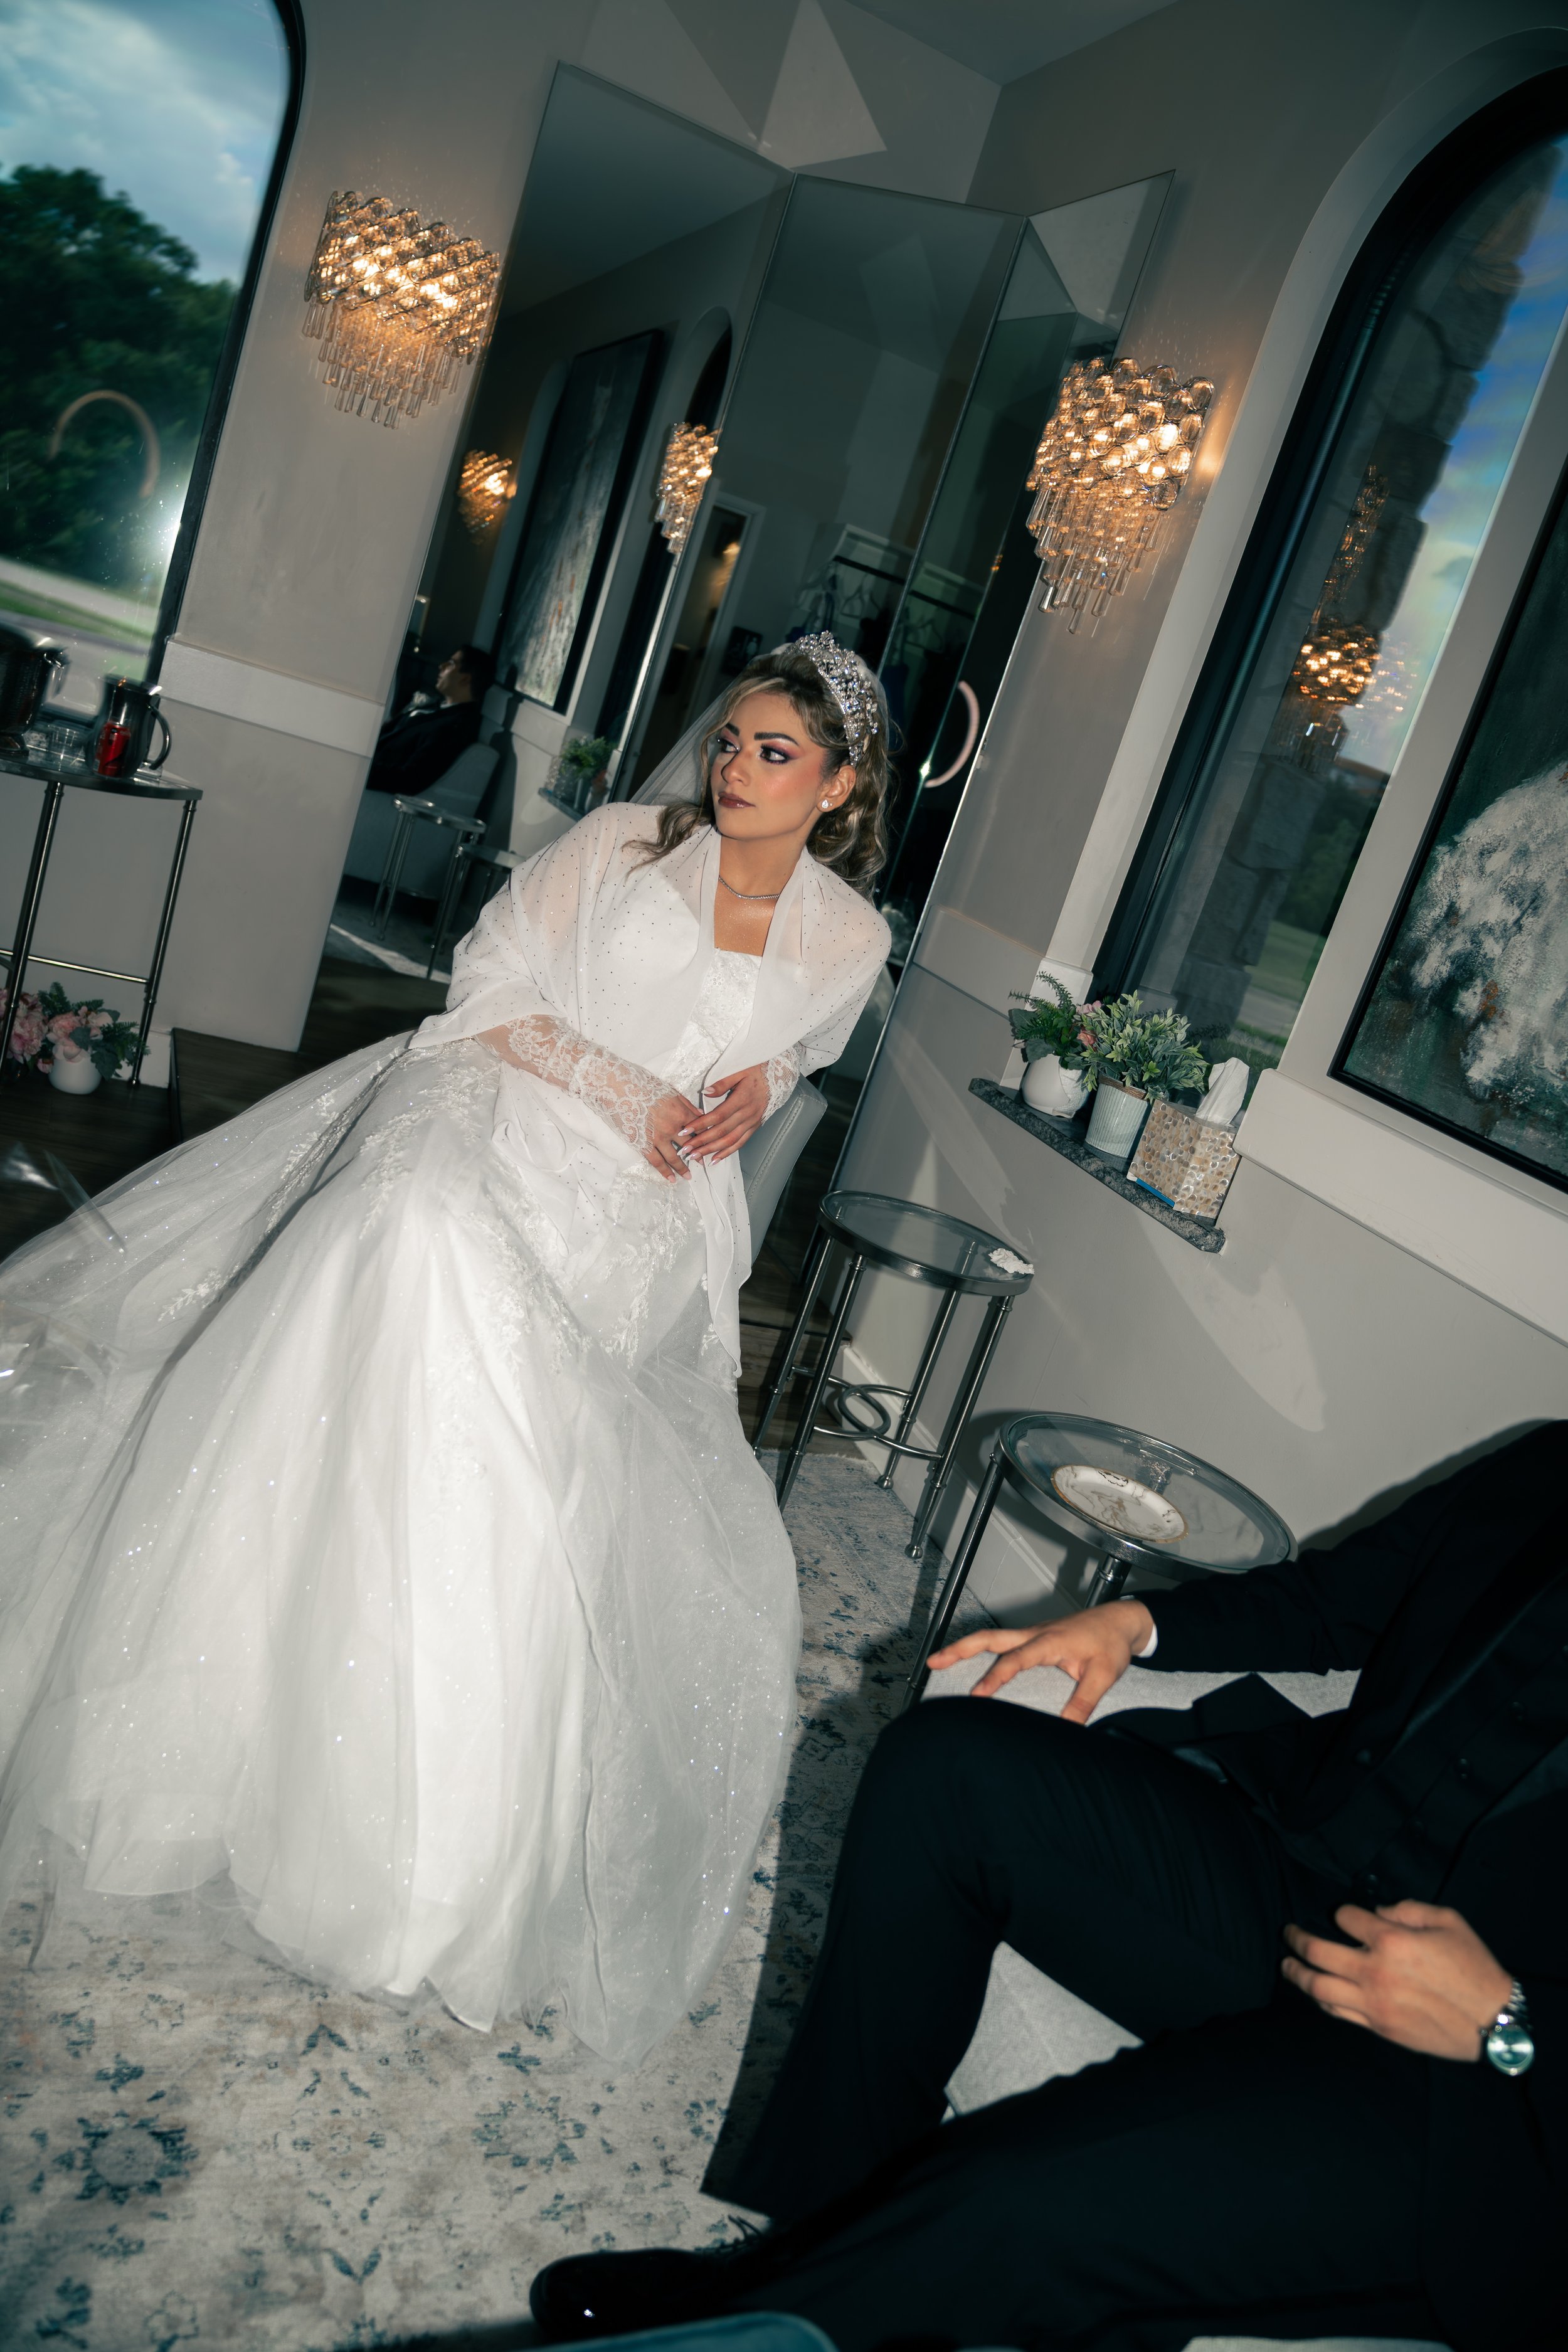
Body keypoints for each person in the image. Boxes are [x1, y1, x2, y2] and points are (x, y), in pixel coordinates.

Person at [0, 635, 891, 2062]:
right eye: (730, 740)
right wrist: (623, 1082)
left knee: (533, 1375)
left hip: (645, 1202)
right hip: (504, 1103)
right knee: (408, 1233)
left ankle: (444, 1816)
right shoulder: (613, 844)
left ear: (839, 786)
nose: (734, 768)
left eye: (775, 752)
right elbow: (482, 988)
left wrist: (753, 1087)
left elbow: (794, 1054)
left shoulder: (851, 936)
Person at [531, 1419, 1567, 2349]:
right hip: (1302, 1885)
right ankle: (808, 2235)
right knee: (945, 1769)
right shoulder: (1550, 1463)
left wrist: (1506, 2023)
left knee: (1014, 2199)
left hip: (1462, 2090)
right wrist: (1137, 1627)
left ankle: (791, 2312)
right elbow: (1338, 1601)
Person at [363, 642, 494, 795]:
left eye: (451, 664)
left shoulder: (456, 726)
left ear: (465, 679)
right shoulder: (437, 708)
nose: (441, 666)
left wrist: (357, 769)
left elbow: (409, 779)